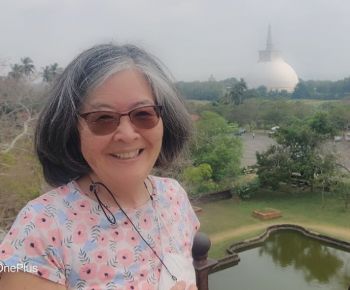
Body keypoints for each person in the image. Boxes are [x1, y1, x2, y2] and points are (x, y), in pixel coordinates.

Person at [0, 44, 199, 290]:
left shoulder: (174, 197)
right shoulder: (40, 228)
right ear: (72, 129)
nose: (126, 134)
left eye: (143, 114)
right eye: (102, 118)